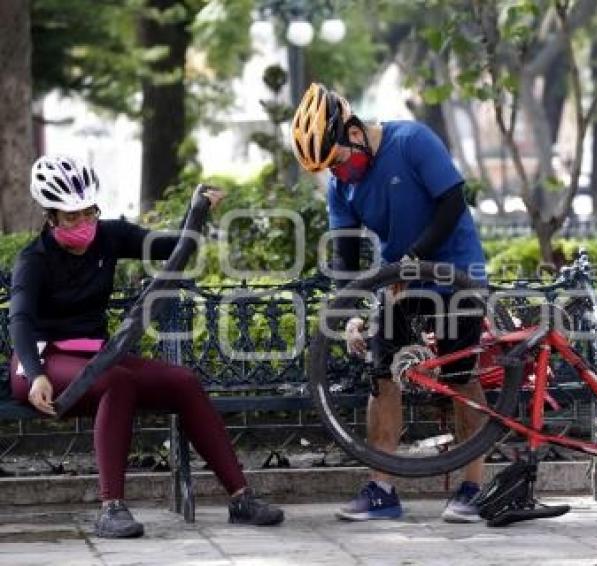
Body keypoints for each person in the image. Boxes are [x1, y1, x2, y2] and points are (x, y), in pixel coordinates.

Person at [9, 155, 284, 538]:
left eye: (88, 213)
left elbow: (174, 248)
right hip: (40, 363)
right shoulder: (33, 260)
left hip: (99, 357)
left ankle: (241, 499)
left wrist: (197, 210)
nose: (83, 225)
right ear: (51, 216)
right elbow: (19, 322)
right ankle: (111, 508)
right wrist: (37, 375)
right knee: (117, 381)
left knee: (184, 381)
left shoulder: (109, 236)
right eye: (71, 217)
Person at [291, 83, 488, 523]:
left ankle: (473, 487)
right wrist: (351, 317)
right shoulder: (341, 190)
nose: (339, 174)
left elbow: (453, 201)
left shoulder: (411, 140)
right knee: (382, 378)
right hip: (397, 283)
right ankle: (382, 489)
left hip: (454, 274)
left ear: (354, 131)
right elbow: (345, 259)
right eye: (328, 170)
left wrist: (414, 260)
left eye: (338, 160)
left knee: (460, 379)